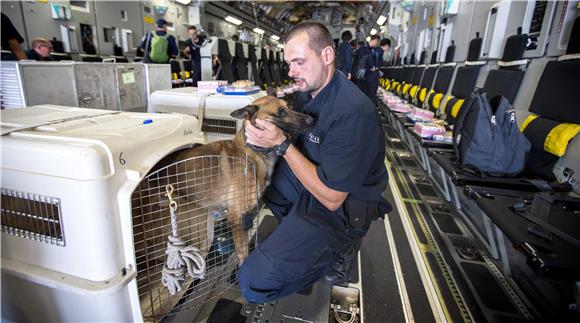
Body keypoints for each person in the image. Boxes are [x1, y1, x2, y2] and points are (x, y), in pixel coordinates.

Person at [238, 21, 391, 303]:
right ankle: (302, 235)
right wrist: (259, 134)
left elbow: (332, 198)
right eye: (288, 63)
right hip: (315, 182)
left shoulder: (352, 112)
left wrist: (280, 144)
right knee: (264, 182)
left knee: (251, 283)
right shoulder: (308, 92)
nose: (291, 72)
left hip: (342, 207)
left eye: (298, 62)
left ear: (327, 56)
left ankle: (335, 252)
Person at [354, 35, 382, 104]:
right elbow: (360, 64)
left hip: (363, 76)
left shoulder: (368, 49)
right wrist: (371, 68)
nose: (376, 44)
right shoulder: (364, 50)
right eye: (377, 42)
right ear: (375, 40)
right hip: (362, 77)